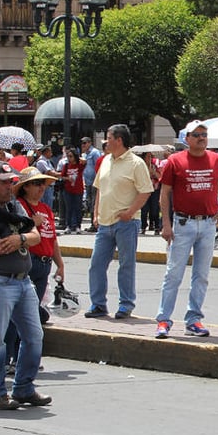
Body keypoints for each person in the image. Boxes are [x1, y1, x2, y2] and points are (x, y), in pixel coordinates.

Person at [0, 161, 50, 410]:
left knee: (34, 336)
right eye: (3, 182)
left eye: (11, 181)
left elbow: (36, 234)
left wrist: (19, 238)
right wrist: (21, 238)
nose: (9, 186)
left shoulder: (13, 206)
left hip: (23, 281)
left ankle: (24, 387)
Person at [154, 120, 218, 339]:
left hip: (208, 224)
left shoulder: (217, 160)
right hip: (183, 223)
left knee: (201, 275)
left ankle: (194, 319)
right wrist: (166, 223)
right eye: (197, 134)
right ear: (187, 139)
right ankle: (163, 319)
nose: (202, 138)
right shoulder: (175, 161)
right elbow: (165, 193)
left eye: (204, 134)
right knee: (174, 274)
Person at [85, 124, 153, 320]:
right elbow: (99, 189)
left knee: (126, 265)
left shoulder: (136, 163)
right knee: (96, 265)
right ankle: (98, 304)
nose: (106, 142)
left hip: (126, 223)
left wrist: (130, 212)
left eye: (109, 137)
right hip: (105, 223)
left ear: (119, 140)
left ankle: (125, 304)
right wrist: (95, 214)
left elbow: (146, 190)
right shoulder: (106, 160)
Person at [15, 167, 65, 316]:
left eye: (43, 183)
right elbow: (13, 231)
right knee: (24, 308)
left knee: (33, 307)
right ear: (26, 186)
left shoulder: (46, 209)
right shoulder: (19, 205)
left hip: (45, 263)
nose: (42, 187)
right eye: (37, 183)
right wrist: (32, 222)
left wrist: (60, 264)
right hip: (28, 260)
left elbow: (52, 239)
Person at [60, 148, 85, 234]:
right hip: (68, 189)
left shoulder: (79, 166)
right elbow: (62, 176)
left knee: (78, 208)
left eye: (71, 156)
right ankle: (68, 225)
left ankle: (78, 225)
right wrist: (68, 178)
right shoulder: (66, 166)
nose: (69, 158)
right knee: (69, 208)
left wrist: (80, 158)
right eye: (68, 156)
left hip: (78, 189)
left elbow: (85, 162)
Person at [140, 151, 162, 235]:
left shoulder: (155, 165)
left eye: (151, 156)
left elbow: (160, 176)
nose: (149, 158)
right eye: (148, 156)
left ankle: (156, 226)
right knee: (144, 209)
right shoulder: (140, 165)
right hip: (144, 190)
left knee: (154, 209)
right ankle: (143, 226)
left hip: (154, 189)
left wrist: (153, 172)